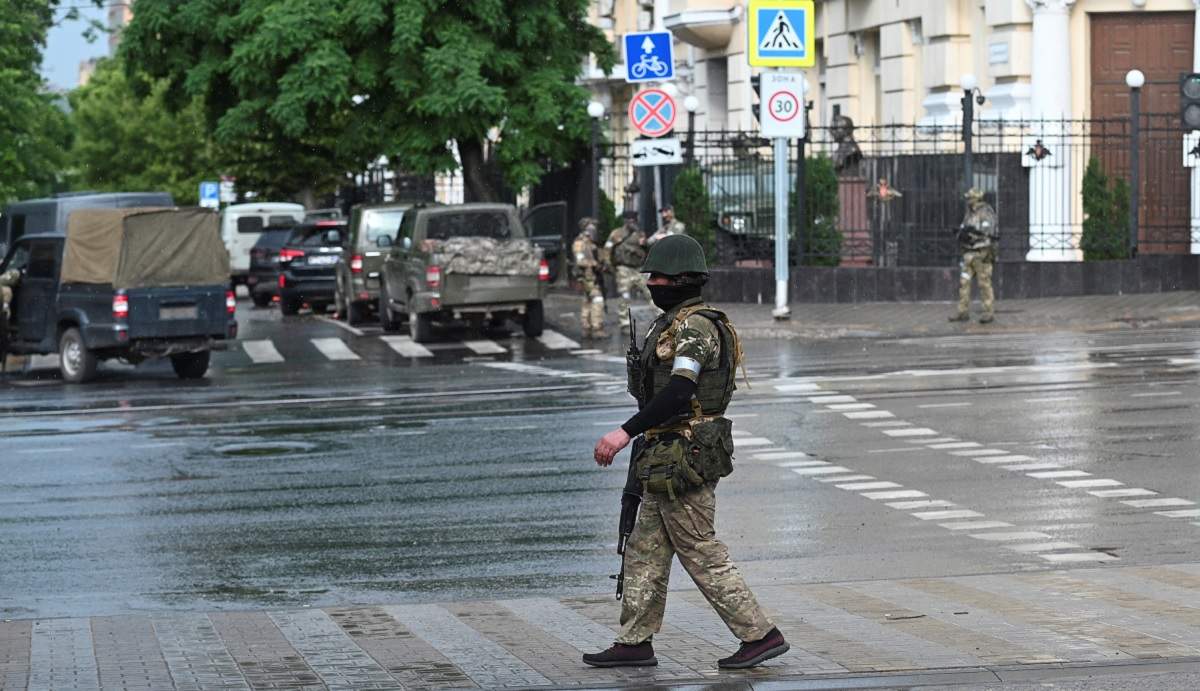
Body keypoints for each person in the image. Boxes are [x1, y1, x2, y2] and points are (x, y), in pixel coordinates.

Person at [584, 234, 789, 671]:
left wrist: (623, 433)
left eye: (656, 277)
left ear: (680, 280)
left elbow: (680, 388)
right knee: (645, 549)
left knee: (698, 547)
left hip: (685, 453)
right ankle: (635, 641)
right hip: (664, 451)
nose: (651, 283)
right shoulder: (673, 321)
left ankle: (760, 634)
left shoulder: (695, 326)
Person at [950, 187, 998, 324]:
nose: (968, 200)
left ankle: (988, 312)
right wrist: (962, 234)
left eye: (970, 198)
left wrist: (971, 236)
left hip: (981, 253)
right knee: (964, 282)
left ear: (977, 198)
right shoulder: (969, 214)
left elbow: (986, 232)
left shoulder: (986, 212)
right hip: (968, 254)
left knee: (984, 284)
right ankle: (963, 311)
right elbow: (964, 228)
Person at [601, 210, 652, 332]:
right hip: (623, 268)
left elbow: (647, 250)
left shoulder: (640, 234)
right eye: (629, 220)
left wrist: (644, 244)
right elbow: (607, 248)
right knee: (625, 295)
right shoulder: (617, 233)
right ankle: (624, 323)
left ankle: (661, 317)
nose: (631, 222)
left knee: (650, 293)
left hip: (638, 269)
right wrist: (608, 264)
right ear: (625, 220)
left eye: (633, 220)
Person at [571, 217, 607, 338]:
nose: (594, 230)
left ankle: (586, 327)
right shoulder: (580, 242)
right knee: (598, 300)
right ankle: (596, 328)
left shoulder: (589, 242)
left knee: (587, 302)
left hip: (592, 277)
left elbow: (598, 255)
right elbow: (580, 261)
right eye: (591, 227)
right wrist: (595, 264)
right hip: (586, 277)